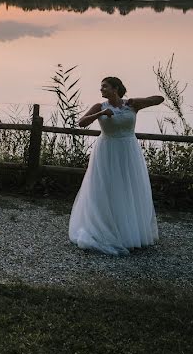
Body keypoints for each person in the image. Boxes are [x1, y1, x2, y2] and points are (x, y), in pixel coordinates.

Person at [69, 77, 165, 256]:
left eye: (105, 86)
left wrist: (138, 101)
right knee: (107, 188)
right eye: (101, 87)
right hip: (107, 150)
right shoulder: (100, 106)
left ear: (116, 88)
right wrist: (101, 114)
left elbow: (159, 99)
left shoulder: (132, 105)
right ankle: (105, 228)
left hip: (129, 150)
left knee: (129, 188)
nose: (101, 89)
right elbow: (81, 122)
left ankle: (128, 232)